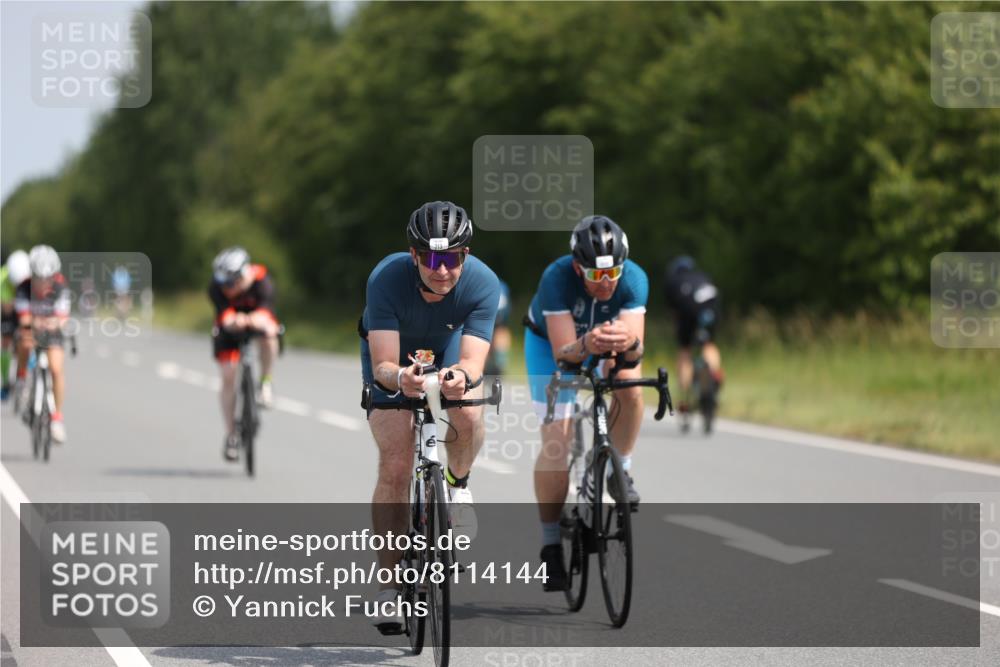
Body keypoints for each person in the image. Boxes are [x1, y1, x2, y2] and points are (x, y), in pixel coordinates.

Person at [359, 200, 499, 634]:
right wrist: (400, 378)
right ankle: (387, 586)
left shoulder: (483, 284)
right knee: (397, 465)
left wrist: (459, 378)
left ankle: (457, 486)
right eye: (433, 258)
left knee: (471, 416)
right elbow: (383, 364)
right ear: (415, 255)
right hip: (395, 357)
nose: (442, 270)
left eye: (452, 258)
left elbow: (474, 364)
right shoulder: (386, 278)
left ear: (466, 256)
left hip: (448, 348)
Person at [524, 215, 648, 591]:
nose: (607, 284)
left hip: (602, 343)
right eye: (596, 277)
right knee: (557, 444)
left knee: (630, 386)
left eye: (613, 274)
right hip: (551, 347)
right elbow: (565, 355)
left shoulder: (635, 279)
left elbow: (634, 357)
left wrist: (626, 344)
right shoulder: (556, 278)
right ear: (579, 268)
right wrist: (588, 345)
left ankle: (618, 469)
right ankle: (549, 545)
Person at [208, 247, 281, 462]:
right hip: (230, 327)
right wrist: (233, 320)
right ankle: (231, 434)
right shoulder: (216, 288)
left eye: (229, 284)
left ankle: (265, 383)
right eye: (222, 284)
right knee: (228, 376)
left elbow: (266, 310)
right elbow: (225, 314)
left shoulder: (262, 281)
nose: (225, 289)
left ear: (242, 276)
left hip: (258, 320)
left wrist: (255, 320)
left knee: (269, 336)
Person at [15, 245, 72, 442]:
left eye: (48, 278)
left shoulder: (61, 287)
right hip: (33, 329)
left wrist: (52, 323)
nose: (43, 282)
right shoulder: (23, 287)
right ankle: (22, 379)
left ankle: (56, 418)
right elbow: (23, 319)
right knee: (25, 341)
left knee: (56, 369)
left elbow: (63, 318)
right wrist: (34, 322)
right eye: (39, 278)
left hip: (52, 330)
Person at [664, 256, 723, 416]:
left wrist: (680, 332)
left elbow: (674, 311)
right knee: (709, 344)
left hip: (688, 311)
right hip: (711, 308)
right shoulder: (703, 276)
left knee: (685, 351)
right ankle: (714, 375)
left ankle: (684, 397)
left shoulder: (674, 281)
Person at [1, 250, 32, 401]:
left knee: (27, 335)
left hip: (24, 305)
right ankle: (6, 382)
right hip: (7, 309)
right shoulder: (3, 278)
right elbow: (6, 307)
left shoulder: (31, 276)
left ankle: (24, 369)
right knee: (5, 341)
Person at [484, 279, 512, 377]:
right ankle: (500, 361)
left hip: (491, 312)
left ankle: (494, 362)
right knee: (500, 329)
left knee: (483, 332)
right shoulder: (502, 285)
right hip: (500, 313)